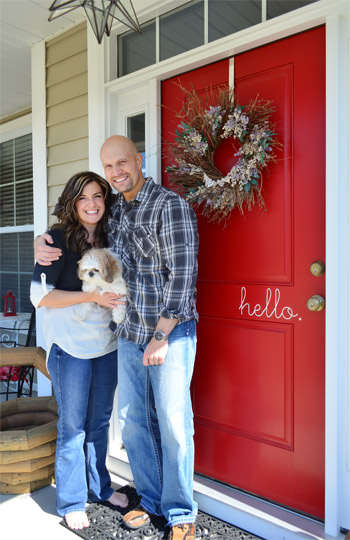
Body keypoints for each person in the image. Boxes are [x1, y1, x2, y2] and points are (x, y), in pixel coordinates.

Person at [34, 136, 199, 540]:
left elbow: (183, 276)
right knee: (133, 422)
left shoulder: (168, 206)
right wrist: (39, 241)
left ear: (138, 160)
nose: (116, 172)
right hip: (125, 334)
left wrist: (162, 334)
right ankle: (151, 499)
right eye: (109, 167)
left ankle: (179, 512)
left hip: (166, 332)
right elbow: (63, 252)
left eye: (122, 162)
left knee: (175, 423)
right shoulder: (114, 215)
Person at [31, 171, 128, 531]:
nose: (92, 204)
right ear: (73, 203)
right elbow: (39, 297)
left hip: (106, 345)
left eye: (98, 196)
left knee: (99, 422)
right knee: (73, 427)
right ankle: (72, 500)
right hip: (70, 348)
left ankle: (99, 487)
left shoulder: (111, 235)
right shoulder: (56, 239)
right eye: (84, 197)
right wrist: (91, 296)